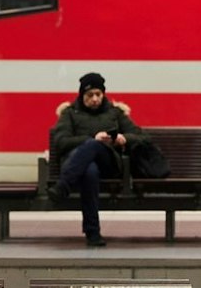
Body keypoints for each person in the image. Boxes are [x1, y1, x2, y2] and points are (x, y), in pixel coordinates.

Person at [49, 72, 149, 248]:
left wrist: (123, 138)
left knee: (94, 147)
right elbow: (61, 142)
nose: (95, 99)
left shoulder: (115, 112)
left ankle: (63, 185)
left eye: (98, 95)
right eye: (90, 95)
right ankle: (93, 233)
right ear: (82, 95)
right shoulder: (70, 113)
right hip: (82, 167)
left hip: (109, 163)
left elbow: (141, 136)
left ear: (103, 94)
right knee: (90, 171)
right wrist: (91, 138)